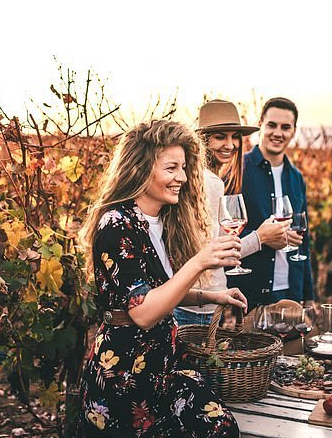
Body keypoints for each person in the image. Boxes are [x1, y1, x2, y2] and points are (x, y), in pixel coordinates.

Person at [76, 119, 247, 437]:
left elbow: (160, 290)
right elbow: (143, 312)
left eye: (183, 167)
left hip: (165, 361)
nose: (181, 177)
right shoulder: (117, 224)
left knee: (221, 427)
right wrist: (199, 262)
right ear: (141, 169)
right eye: (171, 168)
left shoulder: (163, 220)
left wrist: (210, 296)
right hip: (126, 370)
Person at [174, 99, 289, 326]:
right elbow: (213, 253)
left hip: (194, 300)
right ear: (202, 140)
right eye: (220, 137)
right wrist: (261, 237)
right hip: (197, 305)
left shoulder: (196, 178)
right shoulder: (210, 182)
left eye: (234, 136)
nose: (230, 145)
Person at [232, 97, 314, 309]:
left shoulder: (296, 178)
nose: (278, 133)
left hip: (290, 289)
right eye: (272, 125)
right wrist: (264, 237)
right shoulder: (238, 170)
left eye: (285, 127)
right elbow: (224, 233)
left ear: (294, 131)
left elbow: (305, 239)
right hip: (248, 291)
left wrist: (309, 295)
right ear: (261, 125)